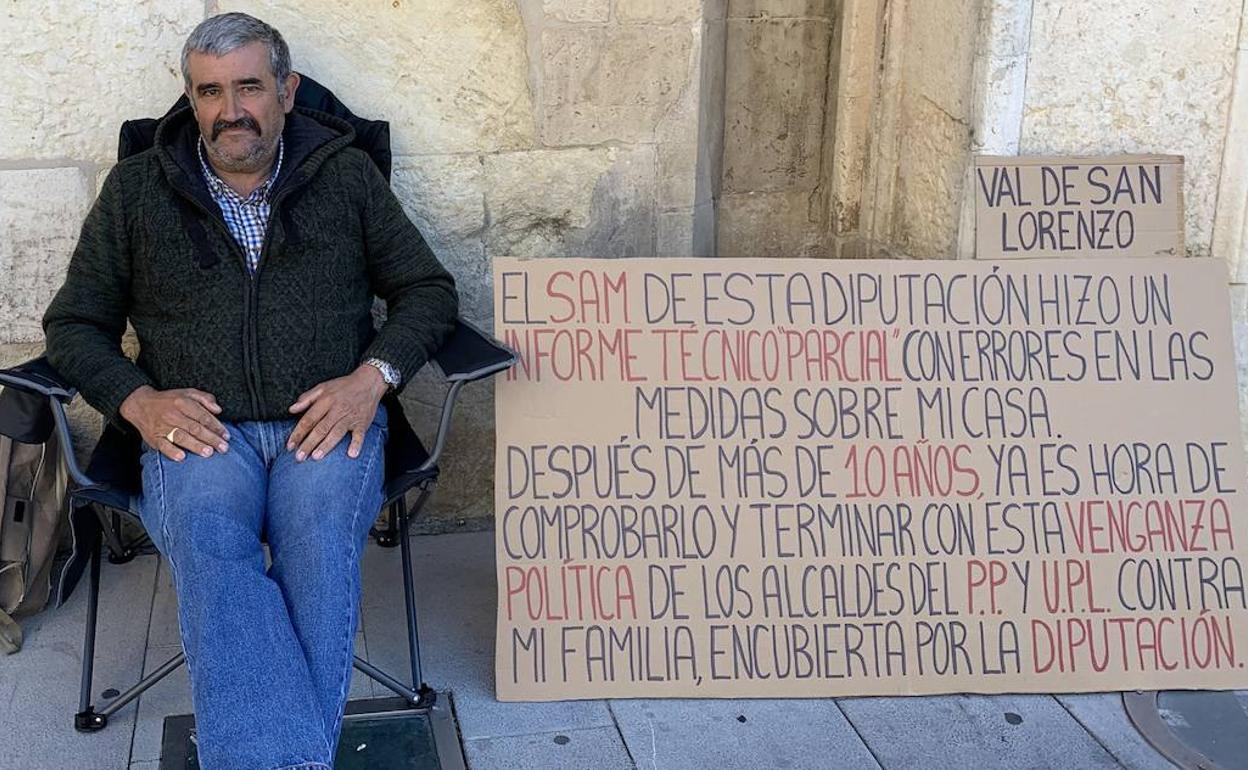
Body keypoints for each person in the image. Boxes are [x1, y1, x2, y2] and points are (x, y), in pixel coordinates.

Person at [42, 12, 458, 770]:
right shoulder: (136, 190)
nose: (231, 110)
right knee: (210, 543)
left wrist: (374, 378)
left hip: (329, 425)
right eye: (210, 91)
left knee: (319, 543)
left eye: (249, 87)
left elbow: (428, 291)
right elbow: (73, 325)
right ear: (190, 98)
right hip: (196, 430)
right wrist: (138, 401)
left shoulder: (346, 175)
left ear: (287, 91)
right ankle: (295, 758)